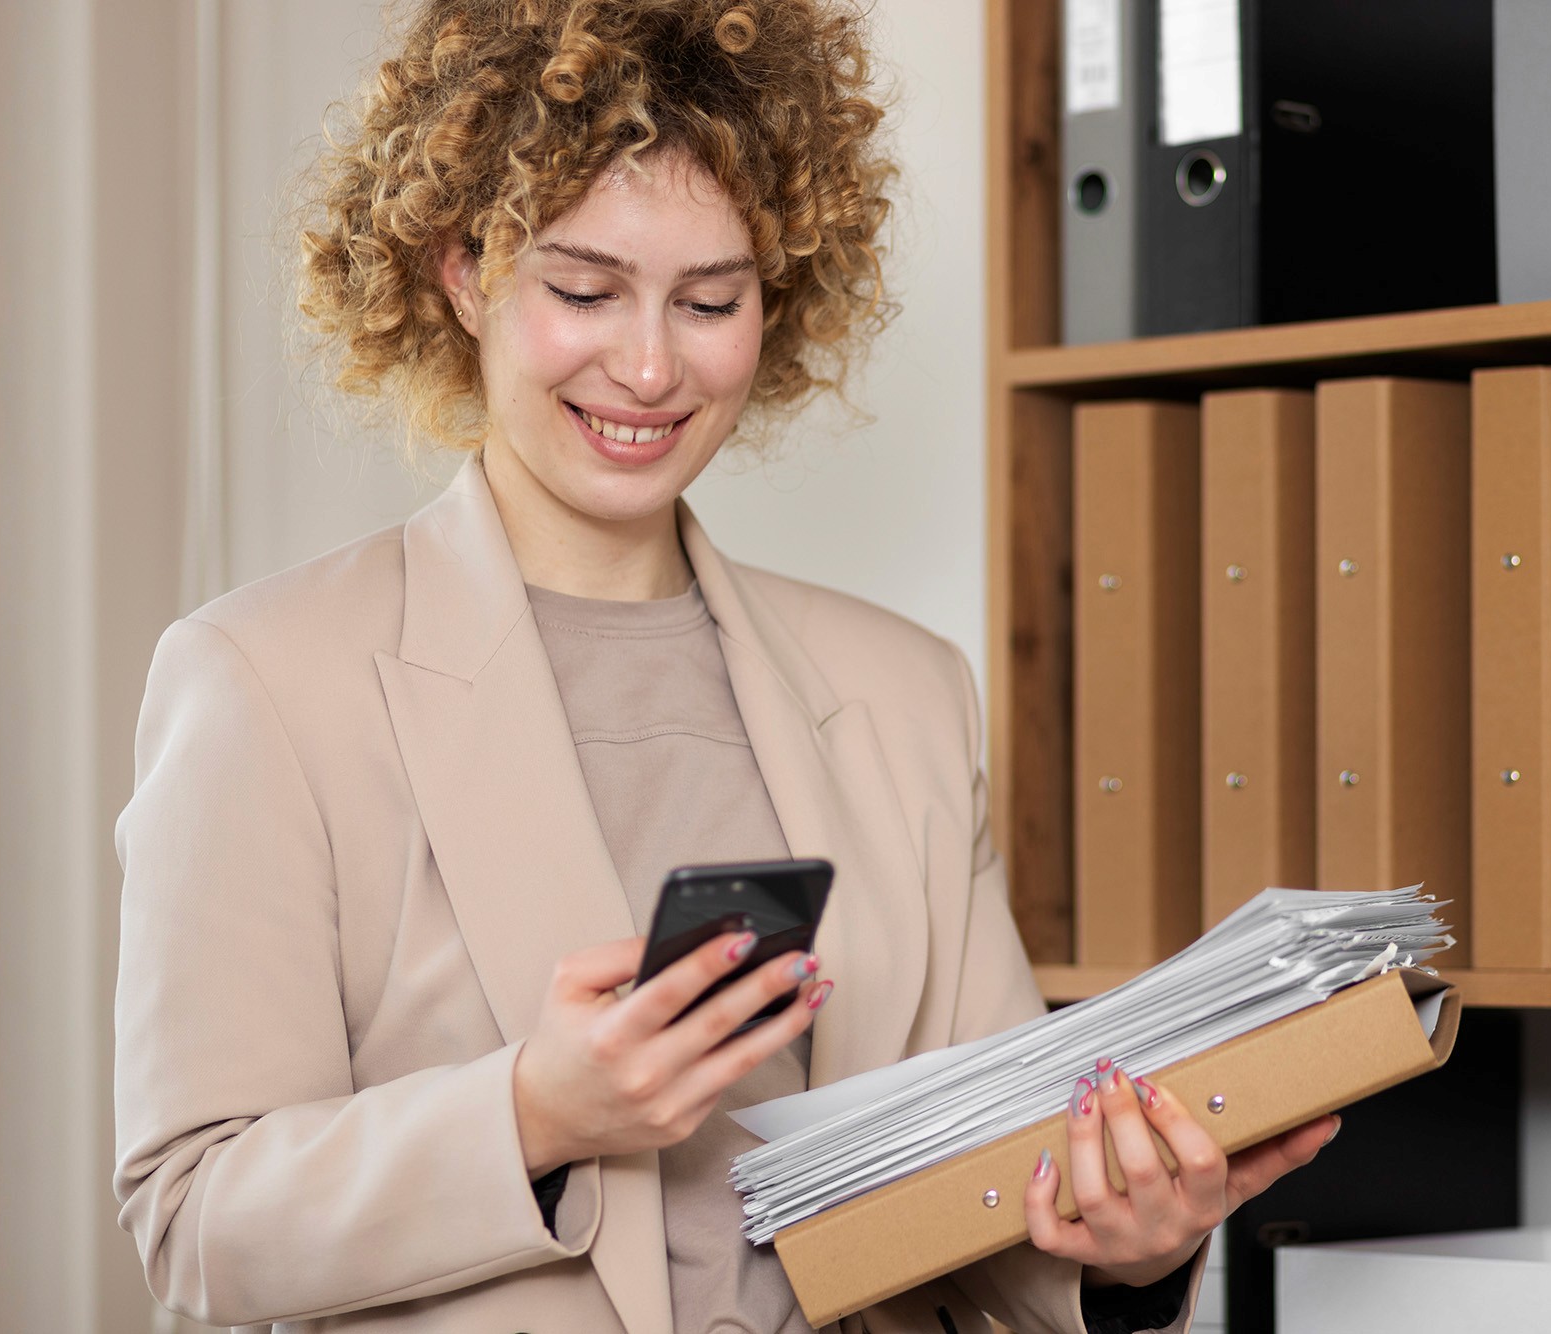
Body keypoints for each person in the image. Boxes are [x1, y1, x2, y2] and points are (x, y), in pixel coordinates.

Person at [110, 2, 1339, 1330]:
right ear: (462, 269)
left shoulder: (908, 694)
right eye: (583, 290)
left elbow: (987, 1198)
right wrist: (535, 1111)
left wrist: (1129, 1250)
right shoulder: (264, 680)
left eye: (710, 301)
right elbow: (195, 1218)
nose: (648, 367)